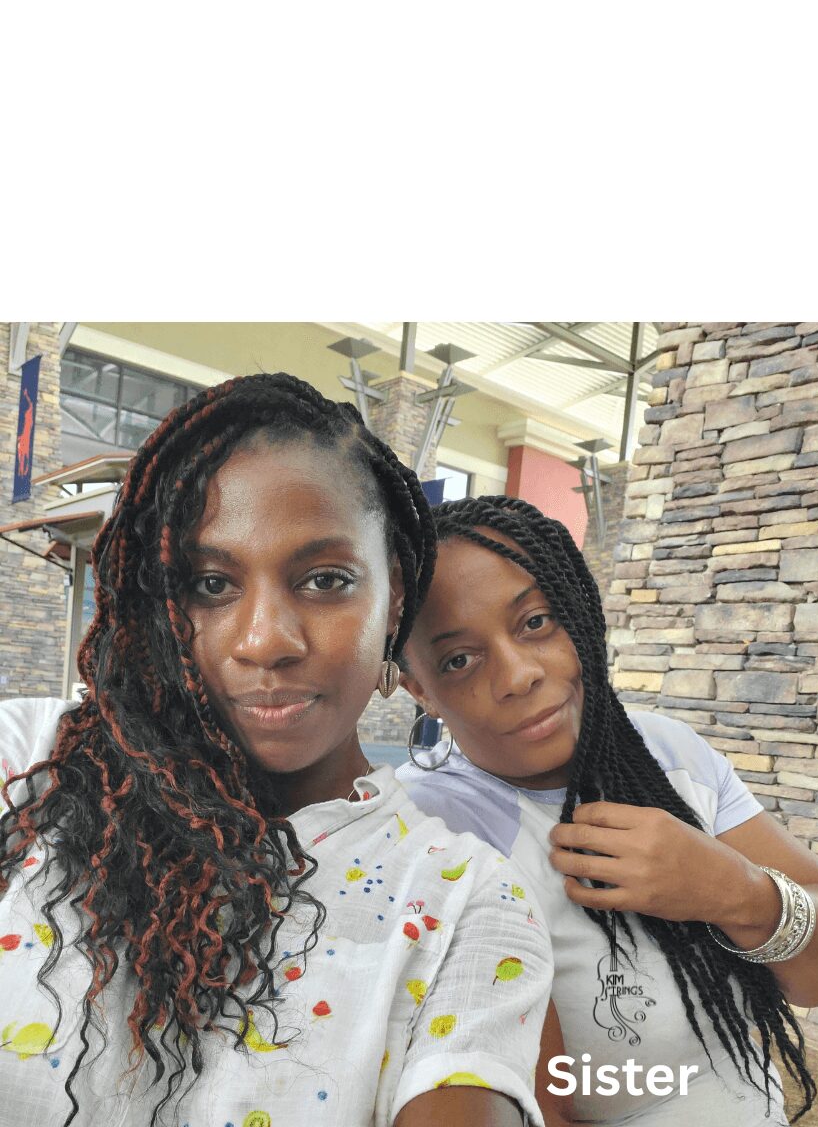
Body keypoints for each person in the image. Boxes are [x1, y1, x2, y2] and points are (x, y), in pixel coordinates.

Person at [0, 379, 554, 1127]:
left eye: (325, 581)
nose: (266, 641)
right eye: (210, 584)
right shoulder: (30, 769)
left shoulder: (463, 900)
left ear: (394, 598)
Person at [396, 495, 818, 1127]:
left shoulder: (669, 755)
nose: (519, 675)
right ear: (419, 689)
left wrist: (734, 891)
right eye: (459, 660)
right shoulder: (428, 830)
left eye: (536, 622)